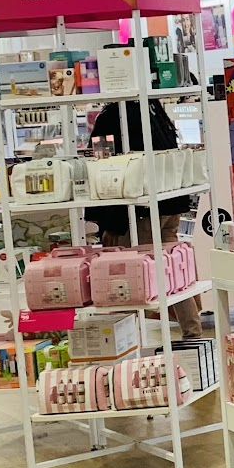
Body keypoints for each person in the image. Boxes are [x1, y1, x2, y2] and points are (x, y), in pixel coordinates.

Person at [86, 96, 202, 340]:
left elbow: (101, 164)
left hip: (139, 211)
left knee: (125, 276)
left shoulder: (112, 117)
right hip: (169, 203)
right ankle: (193, 333)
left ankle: (125, 340)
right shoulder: (153, 112)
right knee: (173, 270)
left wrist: (108, 222)